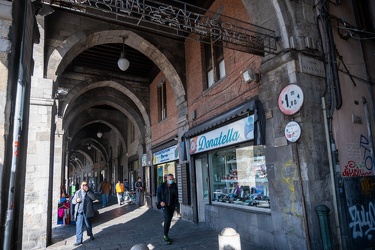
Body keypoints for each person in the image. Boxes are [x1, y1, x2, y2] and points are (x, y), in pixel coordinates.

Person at [72, 181, 96, 246]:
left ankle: (90, 235)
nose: (84, 186)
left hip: (87, 212)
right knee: (79, 226)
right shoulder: (77, 193)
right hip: (79, 212)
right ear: (81, 186)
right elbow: (73, 201)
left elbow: (94, 198)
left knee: (88, 225)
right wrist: (76, 200)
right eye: (83, 185)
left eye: (85, 185)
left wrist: (88, 191)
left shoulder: (89, 191)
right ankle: (79, 240)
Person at [156, 174, 178, 245]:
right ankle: (165, 235)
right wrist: (161, 201)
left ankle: (166, 233)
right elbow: (158, 194)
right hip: (164, 205)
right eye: (170, 179)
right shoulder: (162, 186)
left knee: (168, 220)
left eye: (172, 179)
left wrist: (176, 204)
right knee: (168, 218)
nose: (171, 180)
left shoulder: (174, 186)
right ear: (167, 179)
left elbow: (176, 195)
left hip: (172, 206)